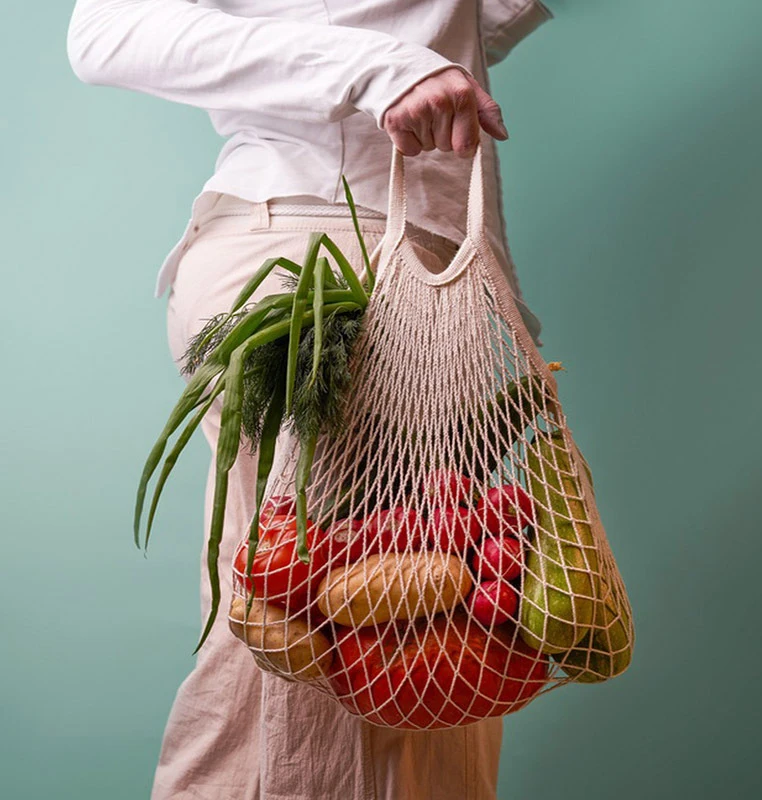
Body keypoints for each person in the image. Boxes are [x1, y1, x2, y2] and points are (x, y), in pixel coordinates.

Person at [66, 2, 553, 798]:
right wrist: (383, 68)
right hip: (325, 252)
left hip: (398, 262)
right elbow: (107, 29)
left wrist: (414, 60)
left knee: (422, 651)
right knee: (325, 643)